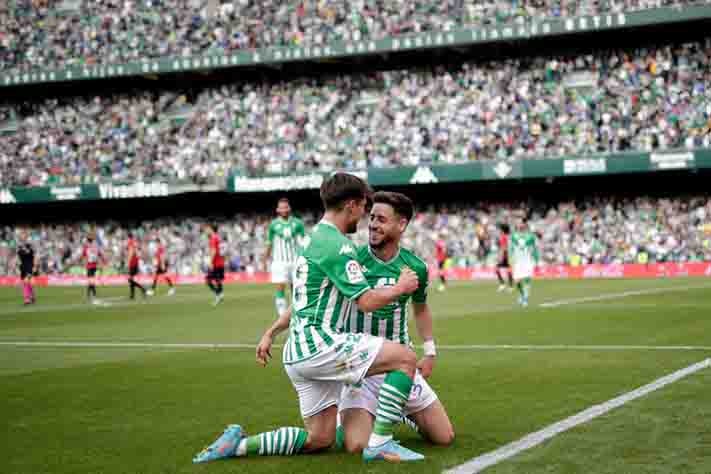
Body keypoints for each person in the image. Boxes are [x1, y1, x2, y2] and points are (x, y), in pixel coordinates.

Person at [194, 173, 424, 464]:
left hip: (296, 352)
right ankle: (380, 443)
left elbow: (303, 301)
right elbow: (366, 302)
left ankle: (236, 447)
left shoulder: (313, 239)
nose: (365, 216)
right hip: (320, 345)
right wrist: (400, 288)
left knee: (320, 438)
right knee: (404, 358)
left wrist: (272, 331)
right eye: (364, 207)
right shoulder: (337, 246)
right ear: (351, 205)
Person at [337, 191, 455, 453]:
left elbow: (421, 308)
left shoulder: (415, 267)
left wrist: (430, 350)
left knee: (444, 437)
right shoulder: (351, 261)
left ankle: (394, 410)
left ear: (401, 225)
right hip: (362, 368)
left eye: (381, 219)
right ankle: (351, 415)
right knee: (356, 445)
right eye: (372, 218)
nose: (373, 225)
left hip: (400, 367)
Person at [264, 197, 305, 318]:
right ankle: (282, 315)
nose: (284, 209)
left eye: (286, 207)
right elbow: (269, 243)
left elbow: (303, 242)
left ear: (289, 208)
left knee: (295, 288)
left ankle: (296, 313)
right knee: (280, 286)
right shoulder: (273, 225)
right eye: (281, 207)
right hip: (279, 262)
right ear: (277, 209)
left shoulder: (298, 223)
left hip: (295, 261)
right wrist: (265, 258)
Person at [509, 219, 540, 307]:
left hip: (527, 261)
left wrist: (536, 261)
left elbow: (534, 249)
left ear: (524, 224)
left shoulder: (530, 236)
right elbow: (511, 248)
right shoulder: (513, 236)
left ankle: (525, 299)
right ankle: (522, 295)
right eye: (518, 223)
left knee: (527, 280)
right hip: (518, 261)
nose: (519, 224)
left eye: (521, 223)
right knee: (517, 280)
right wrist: (511, 258)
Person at [205, 224, 225, 306]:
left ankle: (218, 295)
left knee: (208, 280)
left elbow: (214, 251)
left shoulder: (213, 238)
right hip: (220, 262)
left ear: (211, 229)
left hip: (216, 263)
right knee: (218, 280)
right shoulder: (218, 237)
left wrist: (210, 262)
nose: (206, 230)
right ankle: (220, 294)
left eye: (207, 229)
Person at [81, 231, 103, 304]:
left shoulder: (87, 247)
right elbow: (99, 255)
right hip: (93, 265)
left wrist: (84, 264)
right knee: (91, 281)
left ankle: (91, 295)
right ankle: (91, 295)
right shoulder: (95, 246)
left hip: (90, 265)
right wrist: (100, 264)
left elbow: (84, 256)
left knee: (90, 281)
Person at [17, 230, 38, 305]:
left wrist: (35, 266)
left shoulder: (30, 245)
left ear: (26, 237)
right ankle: (32, 297)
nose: (22, 237)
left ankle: (27, 299)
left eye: (23, 235)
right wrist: (18, 264)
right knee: (25, 282)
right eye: (21, 235)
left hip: (29, 265)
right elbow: (19, 257)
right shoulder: (19, 246)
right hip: (23, 266)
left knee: (28, 281)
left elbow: (34, 256)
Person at [127, 232, 147, 300]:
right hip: (136, 262)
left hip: (132, 262)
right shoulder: (135, 242)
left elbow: (131, 252)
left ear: (128, 237)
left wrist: (128, 261)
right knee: (131, 279)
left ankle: (142, 288)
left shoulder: (130, 242)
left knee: (130, 279)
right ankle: (132, 295)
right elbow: (138, 251)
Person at [496, 223, 514, 292]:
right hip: (510, 255)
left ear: (502, 230)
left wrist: (501, 256)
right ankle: (510, 286)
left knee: (497, 269)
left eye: (500, 229)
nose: (499, 230)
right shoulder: (509, 236)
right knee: (509, 270)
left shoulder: (503, 237)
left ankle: (503, 284)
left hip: (506, 255)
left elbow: (503, 248)